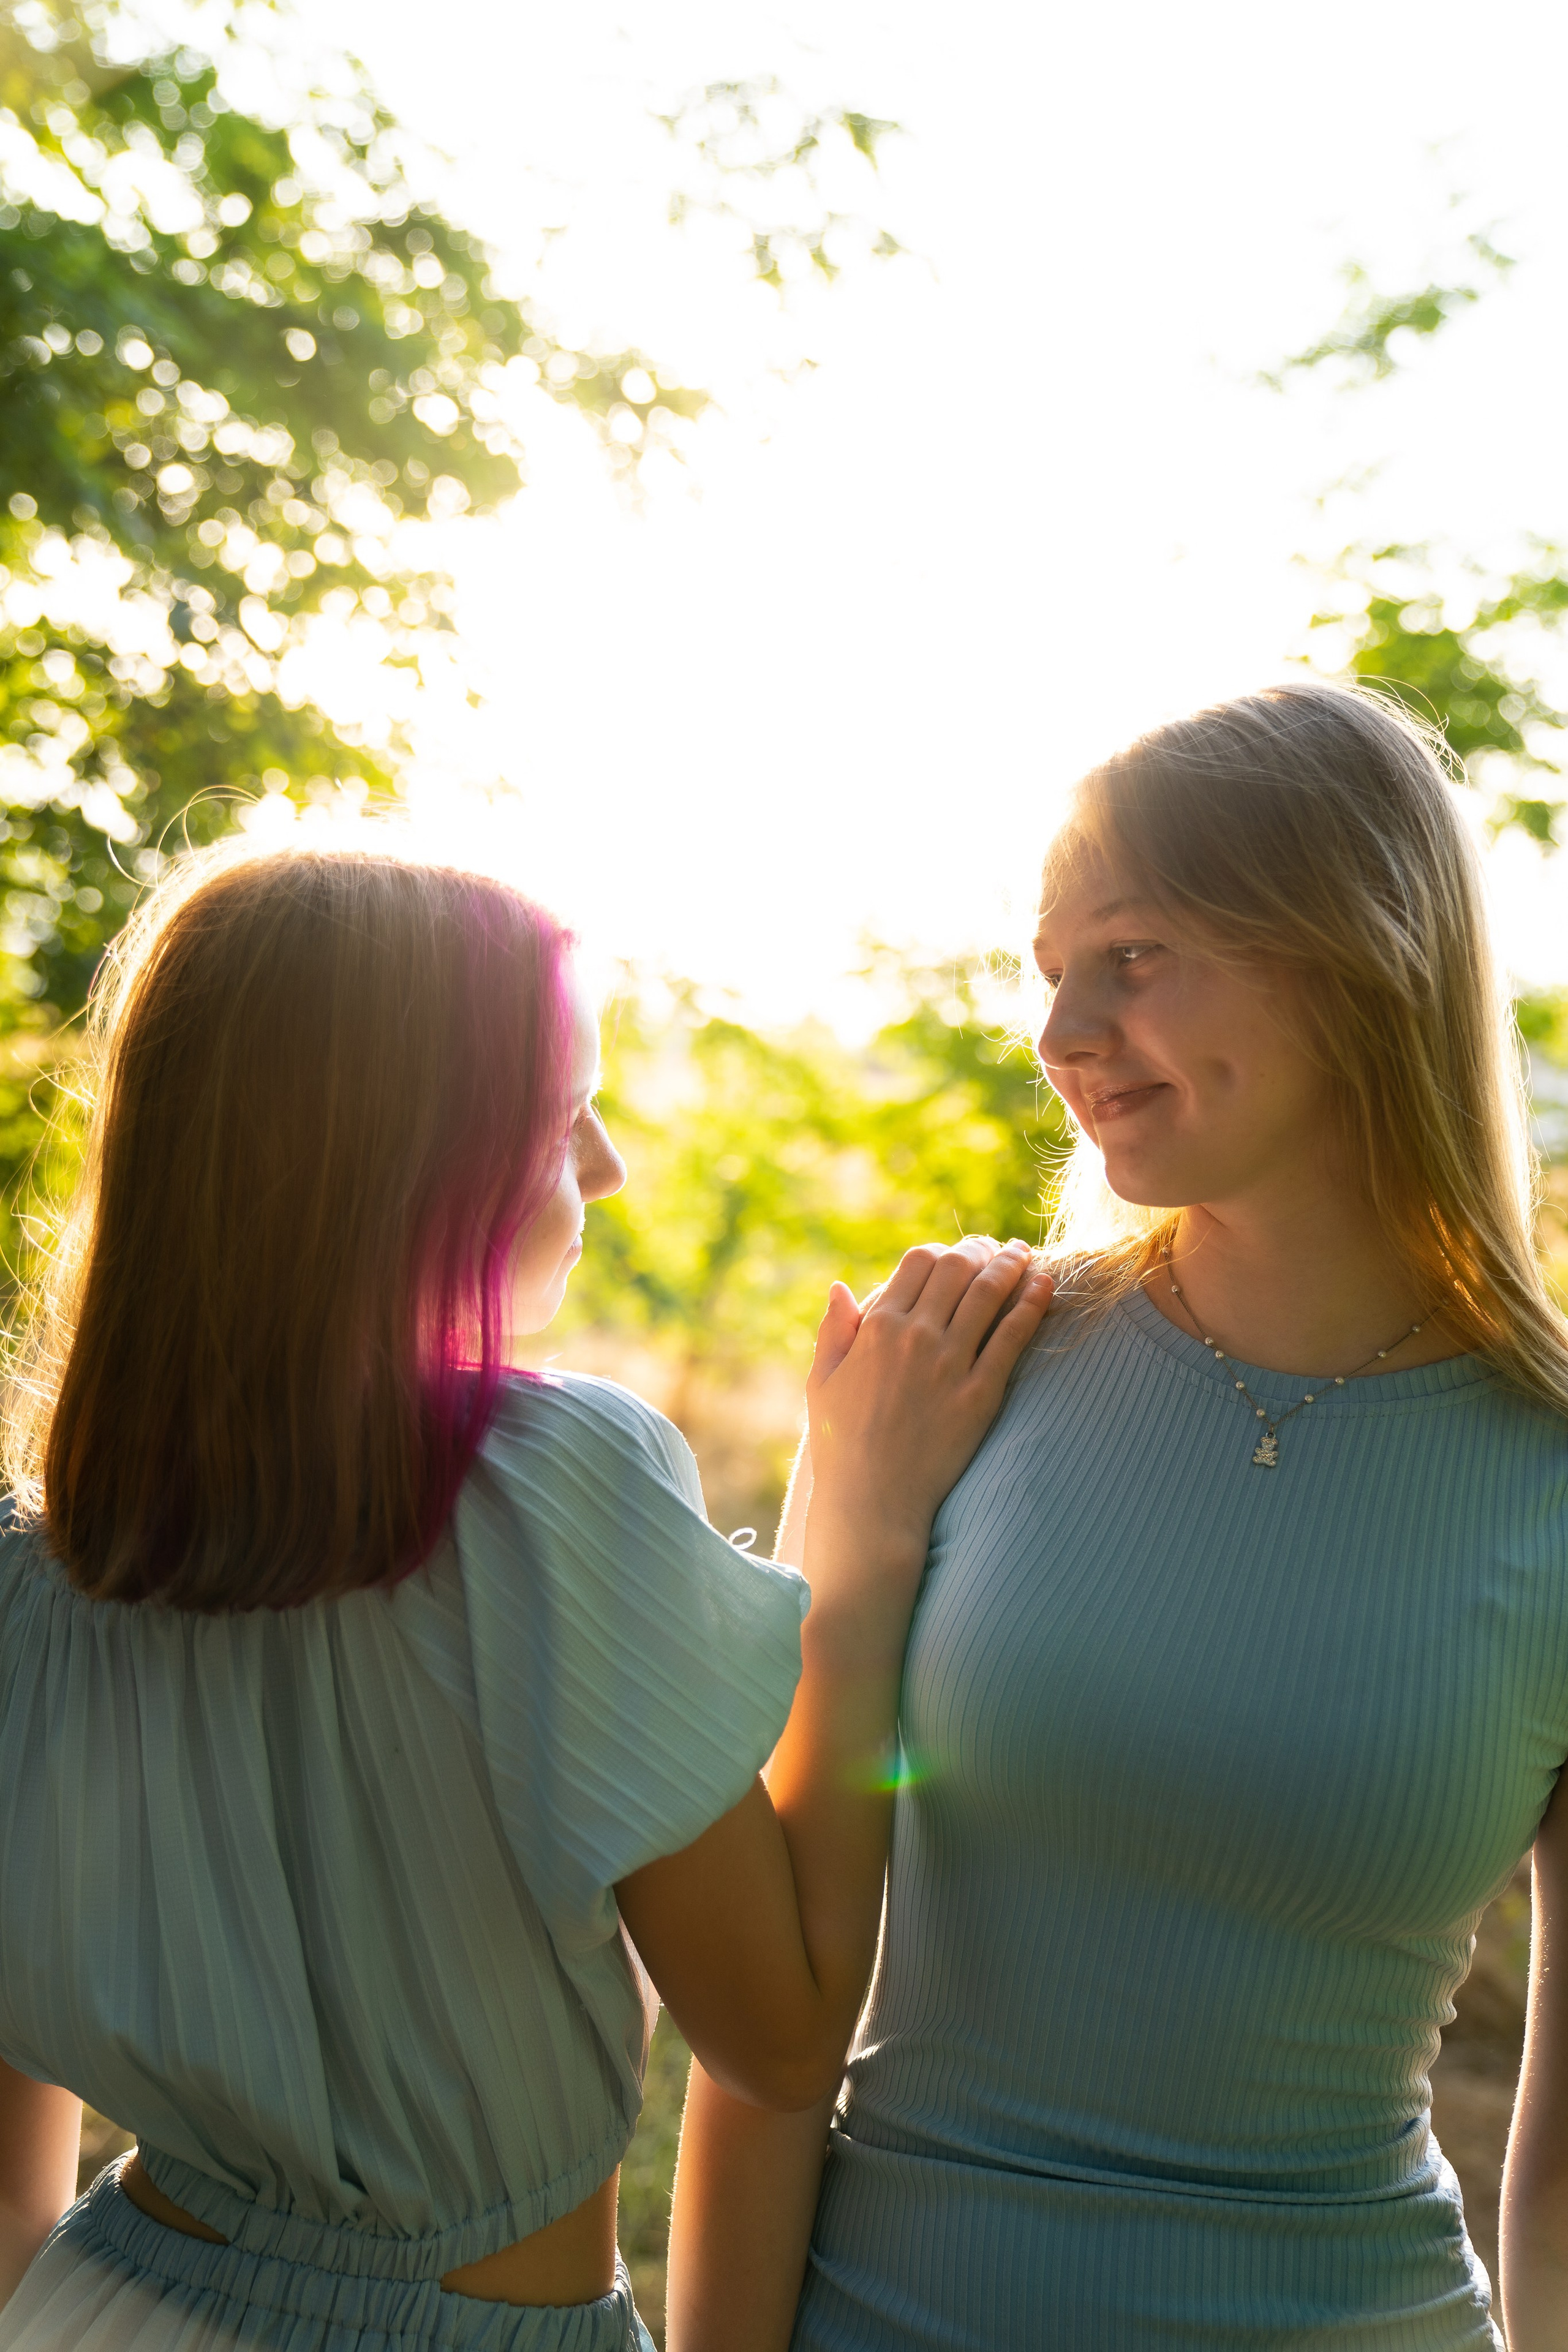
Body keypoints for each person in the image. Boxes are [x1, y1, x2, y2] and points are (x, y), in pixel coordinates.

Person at [0, 836, 1052, 2352]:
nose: (607, 1168)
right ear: (396, 1162)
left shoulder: (29, 1572)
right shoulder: (554, 1484)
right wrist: (865, 1534)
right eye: (562, 1119)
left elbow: (9, 2191)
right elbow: (779, 2038)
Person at [668, 680, 1568, 2352]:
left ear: (1362, 949)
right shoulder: (953, 1373)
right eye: (1049, 969)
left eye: (1134, 954)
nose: (1059, 1032)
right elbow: (769, 2022)